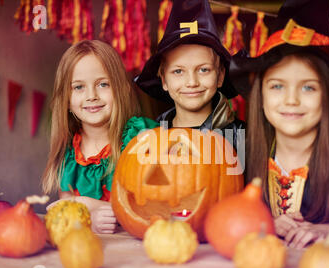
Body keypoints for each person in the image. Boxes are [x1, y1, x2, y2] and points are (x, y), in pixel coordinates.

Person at [230, 0, 329, 249]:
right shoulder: (238, 161)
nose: (291, 100)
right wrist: (263, 223)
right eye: (277, 86)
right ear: (259, 96)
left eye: (308, 87)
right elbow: (219, 222)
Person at [42, 39, 142, 234]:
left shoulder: (138, 139)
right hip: (89, 251)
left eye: (103, 84)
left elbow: (150, 208)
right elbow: (68, 215)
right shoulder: (69, 156)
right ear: (66, 99)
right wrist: (91, 220)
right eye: (78, 87)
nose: (91, 95)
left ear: (123, 89)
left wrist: (85, 203)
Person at [128, 0, 245, 154]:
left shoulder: (242, 137)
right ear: (164, 80)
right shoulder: (150, 136)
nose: (192, 82)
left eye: (203, 70)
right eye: (178, 71)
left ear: (220, 76)